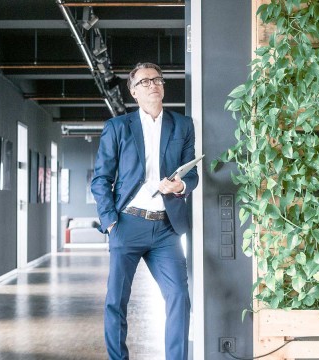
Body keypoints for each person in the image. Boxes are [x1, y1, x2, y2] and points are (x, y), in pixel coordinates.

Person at [91, 62, 198, 360]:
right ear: (133, 92)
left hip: (166, 228)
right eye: (145, 82)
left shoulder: (183, 125)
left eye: (157, 80)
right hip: (127, 224)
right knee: (116, 301)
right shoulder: (117, 127)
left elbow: (193, 175)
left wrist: (180, 186)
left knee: (179, 297)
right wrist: (111, 223)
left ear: (163, 86)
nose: (153, 85)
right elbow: (100, 179)